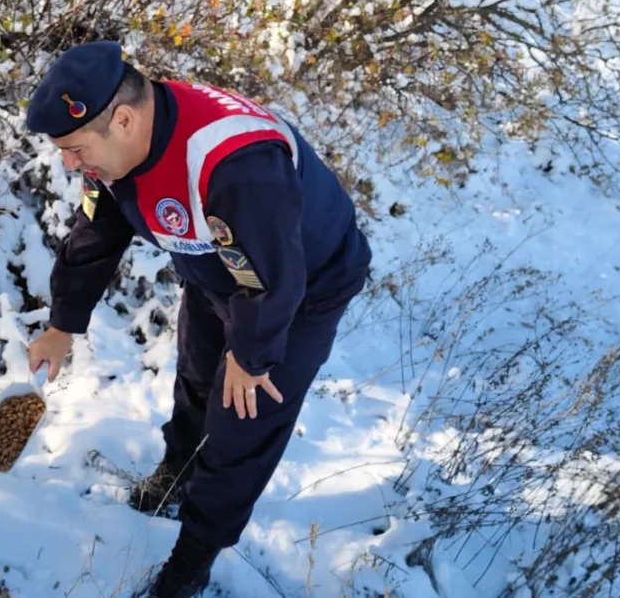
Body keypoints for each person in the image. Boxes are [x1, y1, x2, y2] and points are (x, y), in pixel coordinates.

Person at [24, 40, 372, 598]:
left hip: (301, 290)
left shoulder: (237, 165)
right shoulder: (112, 150)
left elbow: (275, 279)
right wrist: (63, 323)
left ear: (124, 118)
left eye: (72, 147)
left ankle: (192, 561)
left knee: (242, 422)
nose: (67, 162)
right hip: (220, 271)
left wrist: (252, 354)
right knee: (196, 379)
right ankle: (178, 472)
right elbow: (97, 232)